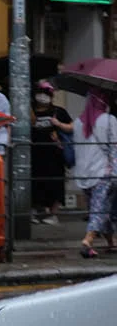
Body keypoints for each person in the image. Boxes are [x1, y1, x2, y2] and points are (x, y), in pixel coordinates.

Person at [74, 90, 117, 258]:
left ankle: (111, 242)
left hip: (84, 172)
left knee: (100, 206)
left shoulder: (78, 122)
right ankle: (88, 240)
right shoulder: (109, 120)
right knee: (99, 209)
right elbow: (114, 146)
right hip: (103, 171)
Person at [31, 80, 72, 225]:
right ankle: (34, 211)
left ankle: (53, 214)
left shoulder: (59, 112)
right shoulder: (30, 111)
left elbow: (71, 127)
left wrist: (59, 125)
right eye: (40, 93)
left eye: (46, 94)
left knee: (55, 183)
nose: (42, 97)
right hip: (34, 154)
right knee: (34, 183)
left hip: (54, 155)